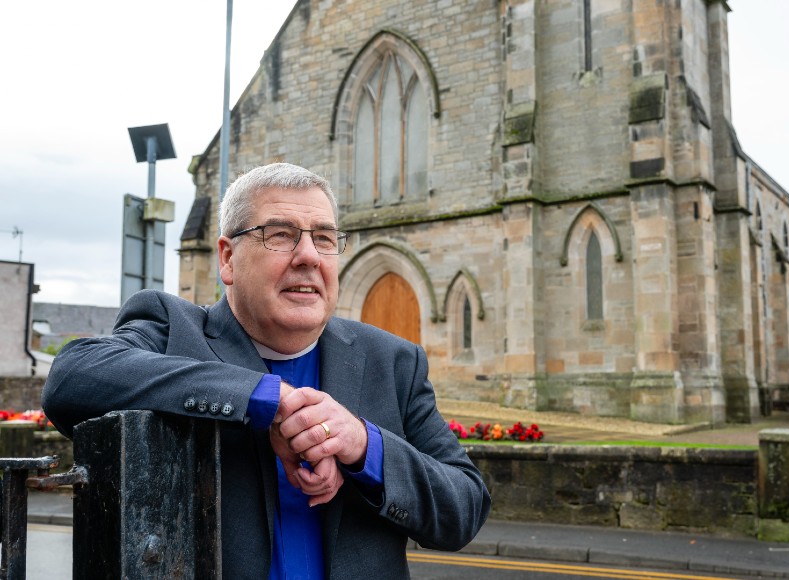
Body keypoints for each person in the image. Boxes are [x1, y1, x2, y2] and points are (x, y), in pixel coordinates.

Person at [42, 162, 491, 578]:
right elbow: (73, 376)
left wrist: (363, 445)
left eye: (324, 238)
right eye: (279, 234)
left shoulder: (393, 361)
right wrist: (265, 398)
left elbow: (464, 507)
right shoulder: (172, 329)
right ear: (227, 259)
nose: (308, 255)